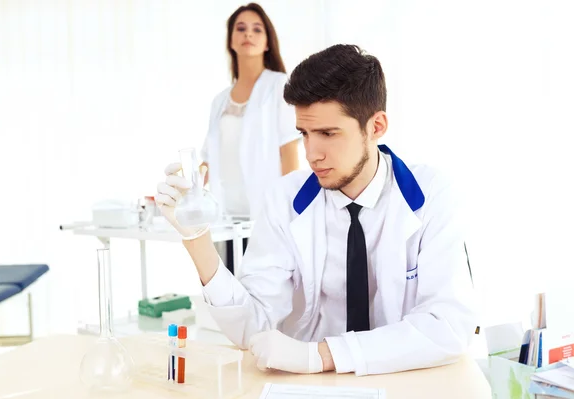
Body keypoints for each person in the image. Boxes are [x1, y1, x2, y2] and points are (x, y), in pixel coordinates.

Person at [156, 44, 479, 376]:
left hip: (401, 379)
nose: (312, 154)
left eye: (328, 133)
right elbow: (254, 326)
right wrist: (197, 237)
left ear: (376, 127)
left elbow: (449, 325)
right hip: (313, 387)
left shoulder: (433, 195)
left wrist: (323, 355)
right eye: (304, 134)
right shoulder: (284, 199)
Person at [201, 3, 300, 273]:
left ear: (267, 41)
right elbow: (207, 161)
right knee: (233, 291)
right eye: (241, 28)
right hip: (227, 218)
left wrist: (289, 210)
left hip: (267, 213)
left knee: (267, 287)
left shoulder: (279, 85)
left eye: (257, 29)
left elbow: (289, 150)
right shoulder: (220, 101)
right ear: (231, 40)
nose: (249, 35)